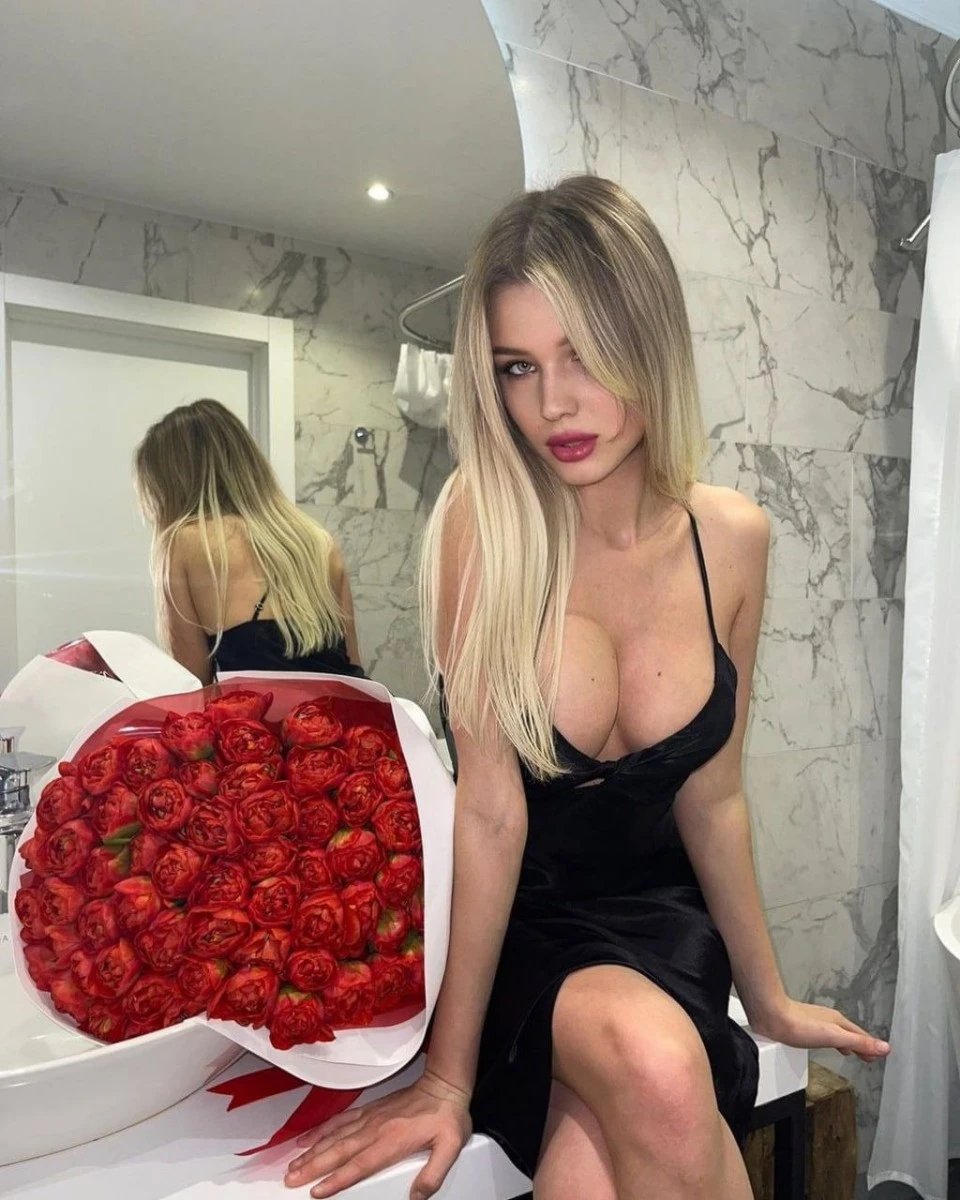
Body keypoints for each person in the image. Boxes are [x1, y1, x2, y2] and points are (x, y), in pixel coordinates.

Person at [283, 177, 890, 1200]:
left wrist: (768, 997)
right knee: (653, 1066)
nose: (552, 404)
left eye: (585, 355)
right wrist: (447, 1076)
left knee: (594, 1163)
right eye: (518, 367)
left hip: (663, 924)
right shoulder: (483, 523)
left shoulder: (732, 539)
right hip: (519, 927)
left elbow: (713, 796)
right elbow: (490, 815)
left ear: (650, 342)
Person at [134, 398, 364, 685]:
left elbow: (191, 687)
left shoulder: (186, 542)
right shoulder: (319, 543)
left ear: (171, 484)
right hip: (344, 713)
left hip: (258, 715)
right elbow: (356, 677)